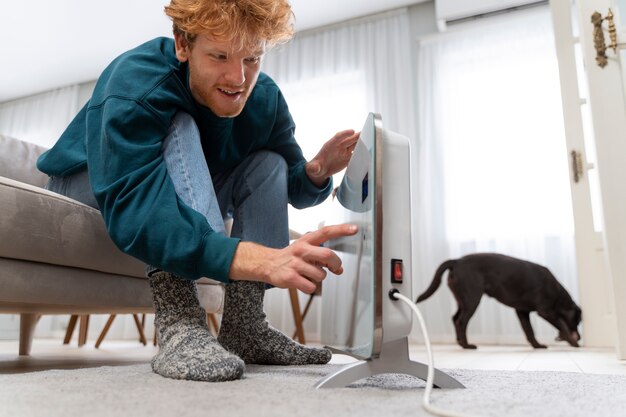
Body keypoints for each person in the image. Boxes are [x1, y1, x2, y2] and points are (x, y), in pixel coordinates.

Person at [36, 0, 359, 382]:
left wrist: (317, 170)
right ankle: (181, 321)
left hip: (178, 192)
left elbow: (293, 187)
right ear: (183, 45)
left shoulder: (265, 99)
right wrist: (253, 258)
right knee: (180, 123)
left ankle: (245, 327)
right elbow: (135, 197)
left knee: (268, 162)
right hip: (94, 183)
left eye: (252, 59)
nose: (238, 78)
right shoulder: (137, 79)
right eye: (220, 55)